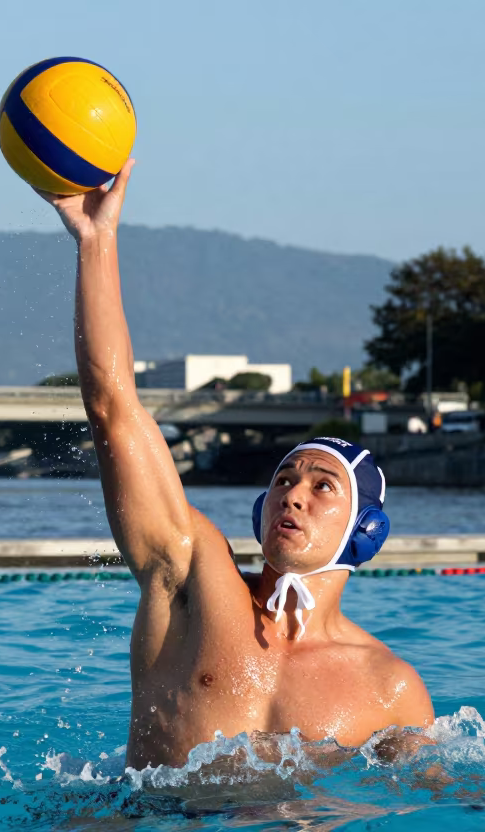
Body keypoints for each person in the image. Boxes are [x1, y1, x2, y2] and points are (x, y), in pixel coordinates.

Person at [35, 162, 434, 770]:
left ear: (365, 530)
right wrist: (97, 241)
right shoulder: (192, 579)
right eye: (283, 480)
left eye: (323, 486)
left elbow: (443, 800)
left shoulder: (390, 687)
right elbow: (113, 409)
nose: (293, 495)